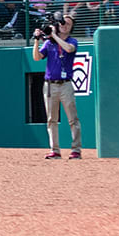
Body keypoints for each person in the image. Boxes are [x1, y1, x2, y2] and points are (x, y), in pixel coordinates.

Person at [37, 12, 83, 159]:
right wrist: (37, 40)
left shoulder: (72, 41)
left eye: (68, 24)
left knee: (72, 118)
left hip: (65, 84)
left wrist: (54, 36)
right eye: (62, 23)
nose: (64, 25)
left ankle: (76, 149)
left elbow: (69, 49)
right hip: (50, 84)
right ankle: (54, 150)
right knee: (51, 119)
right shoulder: (49, 43)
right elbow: (37, 57)